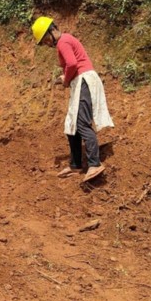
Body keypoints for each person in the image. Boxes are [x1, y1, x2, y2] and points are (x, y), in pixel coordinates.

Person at [32, 16, 114, 182]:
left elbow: (72, 64)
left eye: (45, 39)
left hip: (84, 80)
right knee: (71, 125)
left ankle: (95, 164)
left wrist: (66, 80)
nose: (46, 44)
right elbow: (72, 65)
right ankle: (76, 164)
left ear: (50, 31)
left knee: (82, 123)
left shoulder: (63, 42)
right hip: (80, 81)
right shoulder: (65, 41)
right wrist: (66, 78)